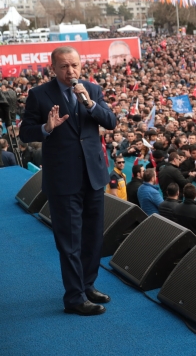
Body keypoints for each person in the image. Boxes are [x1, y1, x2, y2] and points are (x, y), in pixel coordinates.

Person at [19, 46, 117, 316]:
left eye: (74, 65)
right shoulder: (39, 95)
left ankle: (88, 284)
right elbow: (25, 133)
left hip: (93, 176)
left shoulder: (92, 90)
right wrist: (46, 128)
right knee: (70, 241)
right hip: (63, 179)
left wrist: (90, 103)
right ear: (53, 68)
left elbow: (111, 122)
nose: (71, 71)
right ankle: (74, 297)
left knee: (93, 236)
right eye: (64, 66)